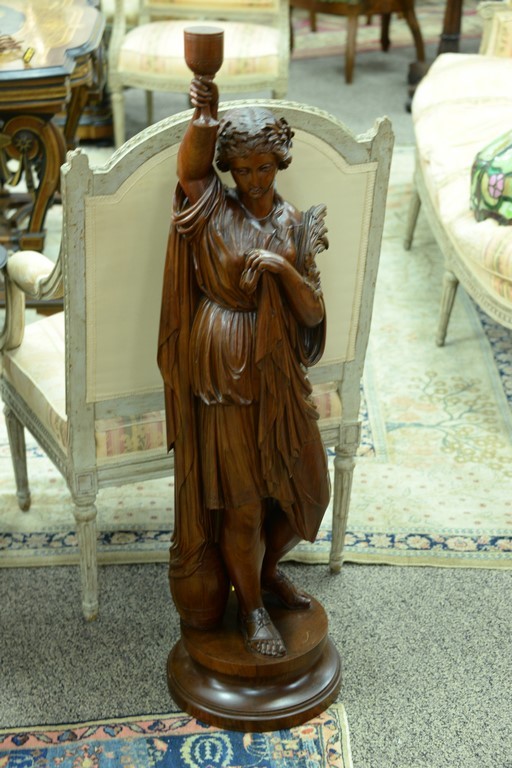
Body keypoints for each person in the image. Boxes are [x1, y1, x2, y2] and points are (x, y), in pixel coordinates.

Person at [158, 76, 330, 658]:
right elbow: (189, 169)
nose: (255, 180)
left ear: (280, 162)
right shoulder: (213, 209)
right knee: (244, 505)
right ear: (229, 168)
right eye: (243, 170)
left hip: (279, 372)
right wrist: (204, 119)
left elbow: (313, 311)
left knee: (310, 491)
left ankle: (266, 568)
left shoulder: (294, 222)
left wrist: (281, 269)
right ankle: (253, 606)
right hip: (225, 368)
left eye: (265, 168)